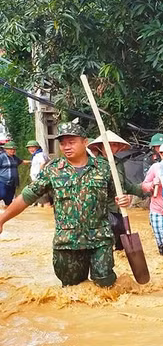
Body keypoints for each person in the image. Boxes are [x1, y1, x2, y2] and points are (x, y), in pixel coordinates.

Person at [0, 122, 129, 287]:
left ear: (85, 142)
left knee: (105, 286)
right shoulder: (53, 170)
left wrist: (125, 199)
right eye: (62, 143)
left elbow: (117, 196)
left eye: (71, 142)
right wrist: (3, 219)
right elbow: (26, 197)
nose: (66, 147)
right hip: (67, 242)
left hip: (100, 240)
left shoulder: (103, 168)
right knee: (72, 290)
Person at [88, 132, 146, 251]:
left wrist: (144, 190)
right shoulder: (94, 165)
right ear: (101, 146)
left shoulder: (118, 163)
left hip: (119, 209)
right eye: (109, 145)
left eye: (115, 145)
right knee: (112, 232)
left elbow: (124, 184)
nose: (112, 148)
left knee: (122, 243)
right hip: (103, 210)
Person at [140, 142, 163, 255]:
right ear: (160, 155)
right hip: (158, 211)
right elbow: (144, 186)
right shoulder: (155, 168)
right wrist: (152, 184)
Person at [25, 139, 51, 206]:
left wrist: (40, 174)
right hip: (39, 179)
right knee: (41, 199)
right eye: (29, 148)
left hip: (39, 179)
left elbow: (43, 163)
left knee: (44, 201)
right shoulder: (41, 154)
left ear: (37, 147)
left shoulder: (38, 155)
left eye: (33, 147)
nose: (31, 149)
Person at [0, 141, 23, 206]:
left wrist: (34, 161)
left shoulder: (15, 158)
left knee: (9, 201)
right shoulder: (1, 157)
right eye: (10, 149)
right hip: (3, 181)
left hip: (13, 183)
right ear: (5, 149)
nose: (12, 151)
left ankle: (5, 212)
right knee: (2, 194)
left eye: (14, 149)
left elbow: (22, 161)